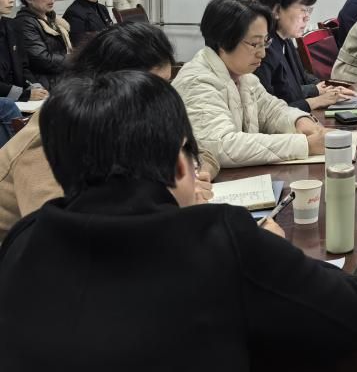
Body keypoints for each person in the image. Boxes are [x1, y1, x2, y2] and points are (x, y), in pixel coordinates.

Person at [0, 71, 357, 370]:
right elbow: (356, 315)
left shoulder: (23, 242)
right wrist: (274, 247)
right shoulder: (218, 237)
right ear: (181, 163)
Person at [0, 22, 216, 241]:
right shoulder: (52, 136)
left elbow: (201, 153)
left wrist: (194, 175)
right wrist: (171, 195)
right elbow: (62, 236)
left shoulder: (130, 119)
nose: (162, 99)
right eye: (149, 90)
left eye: (166, 85)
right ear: (106, 84)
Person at [174, 0, 326, 168]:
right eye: (254, 44)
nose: (262, 53)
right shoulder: (196, 82)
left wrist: (300, 121)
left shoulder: (244, 76)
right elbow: (222, 146)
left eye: (265, 42)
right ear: (223, 42)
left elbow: (272, 111)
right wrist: (305, 145)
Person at [254, 0, 352, 112]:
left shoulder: (285, 39)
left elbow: (302, 77)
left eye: (309, 10)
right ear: (276, 10)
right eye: (303, 9)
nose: (307, 17)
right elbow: (269, 112)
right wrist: (316, 101)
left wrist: (328, 88)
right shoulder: (263, 50)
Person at [12, 0, 70, 90]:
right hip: (45, 85)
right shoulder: (25, 23)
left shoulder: (52, 19)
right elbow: (42, 59)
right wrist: (74, 59)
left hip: (62, 79)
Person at [0, 0, 46, 104]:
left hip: (19, 100)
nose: (11, 0)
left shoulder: (12, 26)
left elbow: (23, 66)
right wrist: (23, 95)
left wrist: (35, 87)